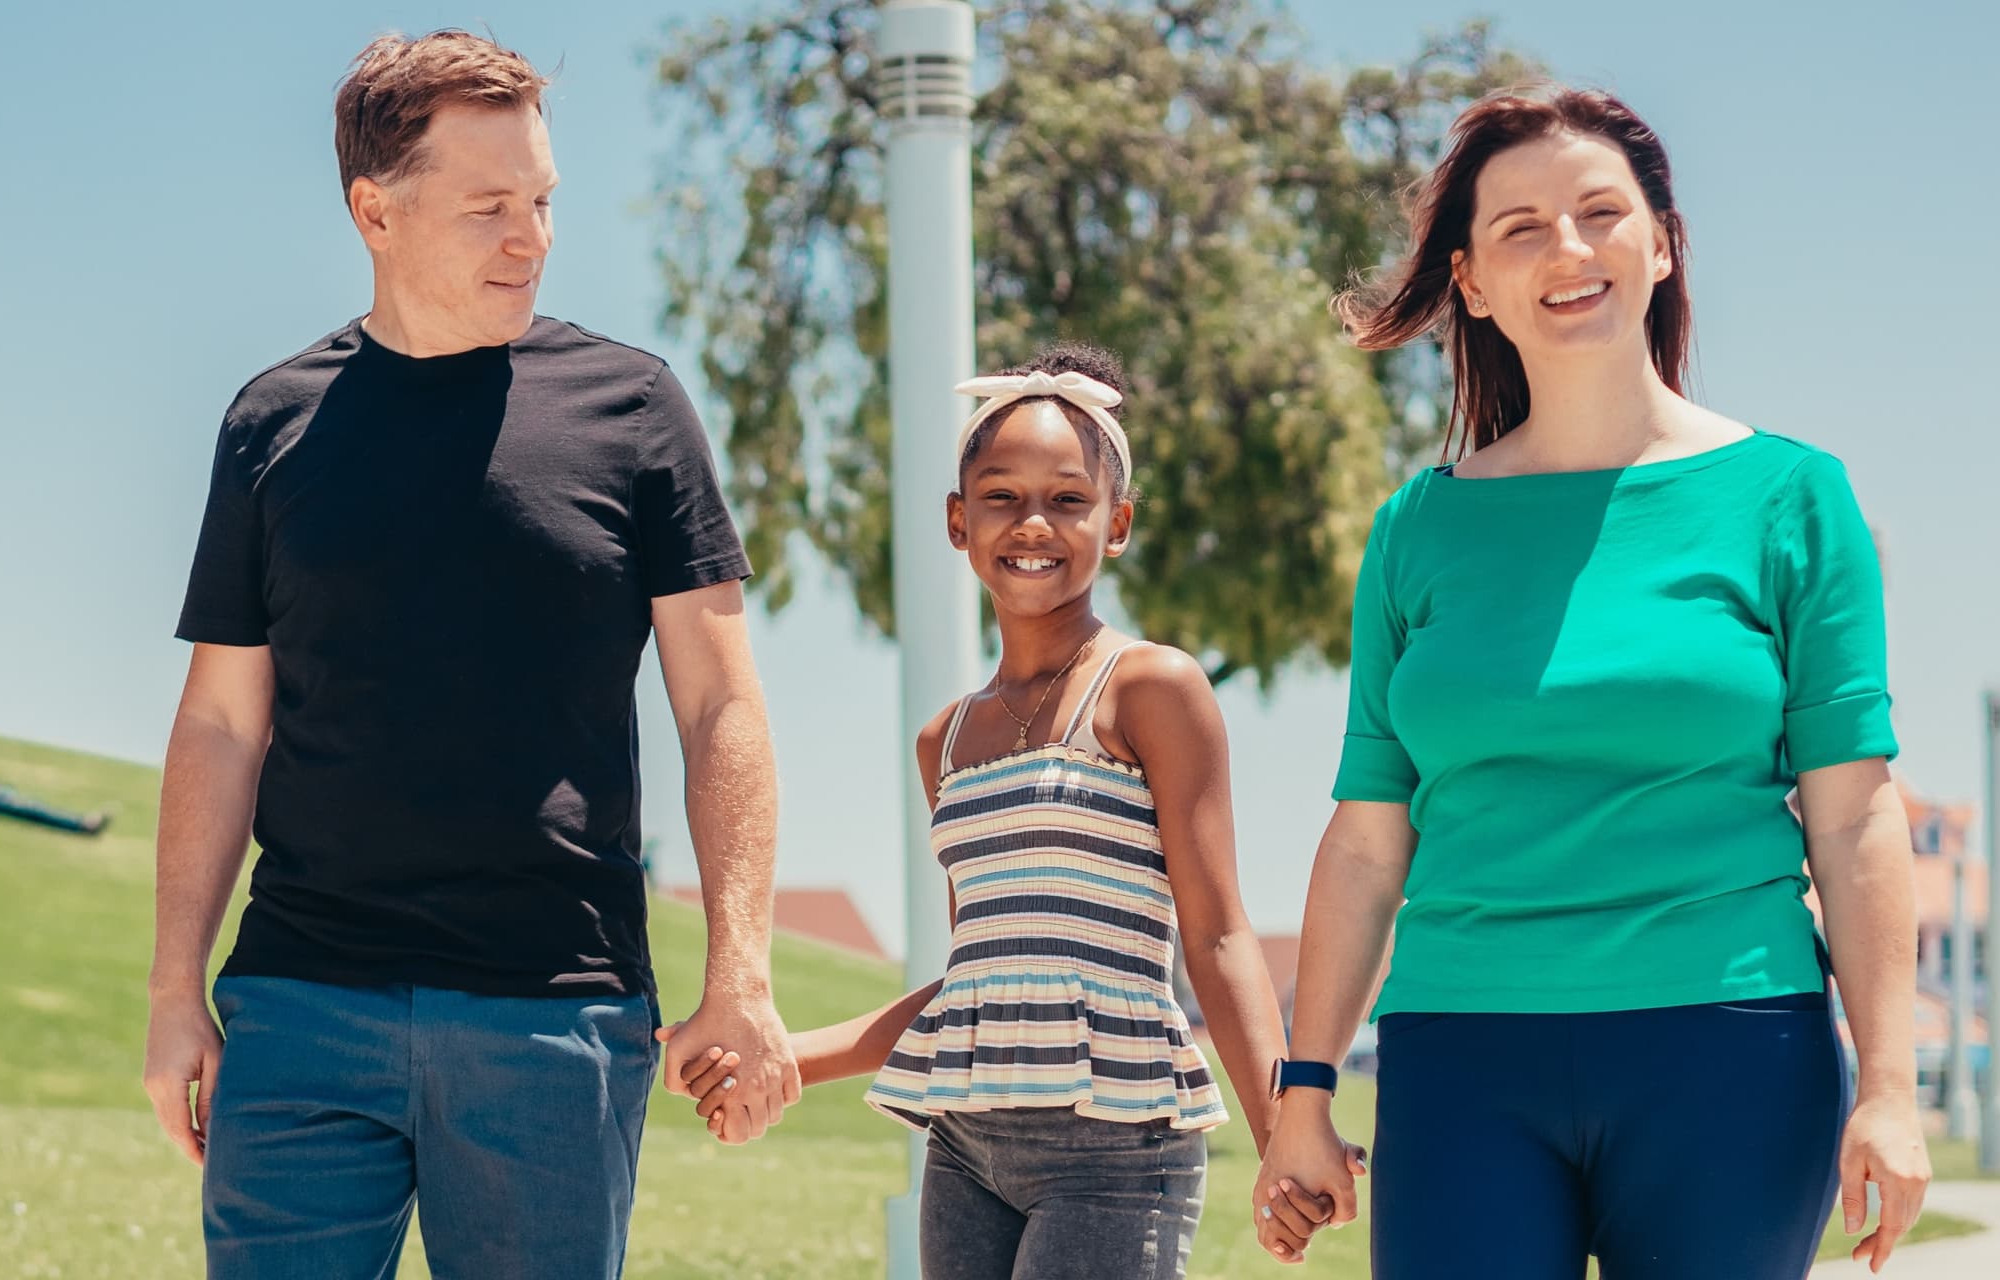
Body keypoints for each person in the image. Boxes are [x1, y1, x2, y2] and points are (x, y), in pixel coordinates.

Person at [144, 30, 797, 1279]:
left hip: (555, 1010)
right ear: (375, 211)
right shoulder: (272, 423)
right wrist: (177, 989)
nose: (530, 237)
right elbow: (221, 721)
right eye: (489, 205)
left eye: (543, 200)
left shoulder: (635, 411)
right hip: (301, 1007)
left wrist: (743, 974)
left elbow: (721, 702)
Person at [1249, 87, 1932, 1276]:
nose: (1568, 248)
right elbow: (1366, 839)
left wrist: (1890, 1085)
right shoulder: (1418, 528)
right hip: (1461, 1051)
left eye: (1601, 212)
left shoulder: (1791, 497)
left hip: (1729, 1046)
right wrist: (1304, 1087)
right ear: (1471, 283)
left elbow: (1855, 815)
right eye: (1521, 228)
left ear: (1661, 245)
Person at [685, 345, 1342, 1280]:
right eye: (1001, 496)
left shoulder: (1152, 689)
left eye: (1069, 499)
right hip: (964, 1153)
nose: (1034, 522)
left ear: (1117, 523)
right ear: (959, 520)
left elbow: (1219, 935)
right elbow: (981, 982)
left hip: (1117, 1152)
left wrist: (1285, 1133)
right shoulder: (946, 743)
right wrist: (781, 1057)